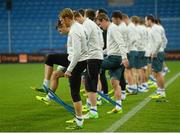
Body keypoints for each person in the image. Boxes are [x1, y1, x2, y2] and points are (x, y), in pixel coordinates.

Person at [97, 13, 128, 114]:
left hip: (115, 58)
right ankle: (118, 107)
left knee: (93, 64)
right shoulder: (111, 28)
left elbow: (121, 43)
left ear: (103, 20)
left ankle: (93, 96)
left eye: (100, 24)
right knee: (115, 83)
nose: (101, 27)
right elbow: (111, 47)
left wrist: (124, 58)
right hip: (115, 58)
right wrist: (101, 52)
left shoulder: (113, 28)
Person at [145, 15, 166, 99]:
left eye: (146, 20)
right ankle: (159, 91)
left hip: (157, 53)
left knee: (158, 73)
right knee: (156, 73)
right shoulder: (157, 27)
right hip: (158, 52)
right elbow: (164, 40)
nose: (145, 22)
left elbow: (159, 41)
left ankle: (161, 92)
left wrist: (155, 52)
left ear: (150, 20)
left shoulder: (155, 28)